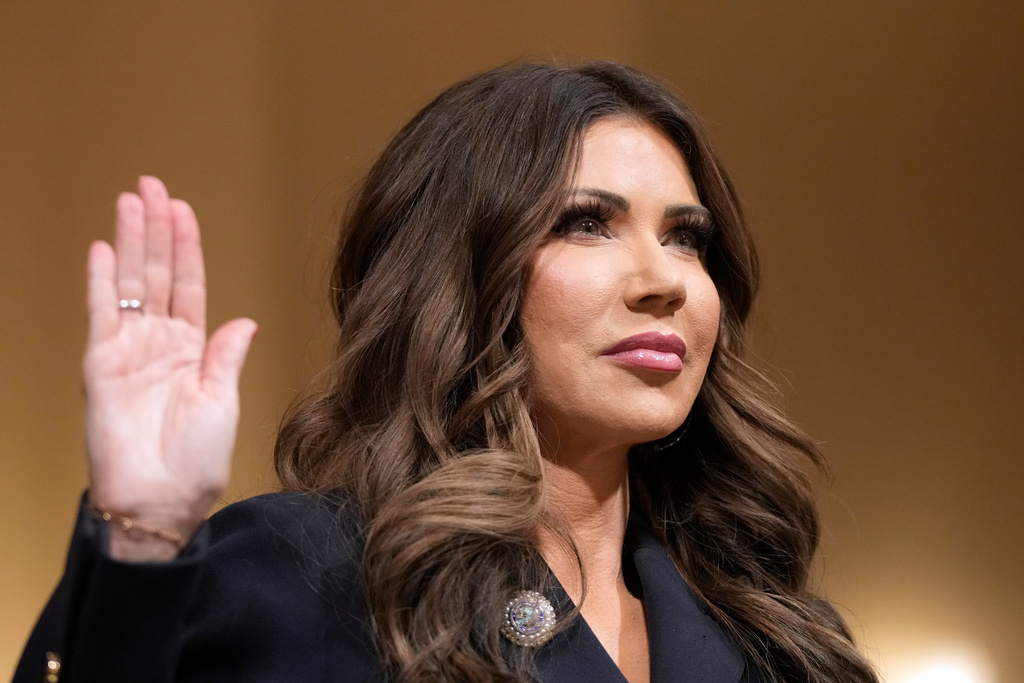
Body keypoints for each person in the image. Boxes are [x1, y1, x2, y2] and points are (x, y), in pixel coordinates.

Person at [15, 62, 878, 683]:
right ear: (462, 274)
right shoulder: (304, 575)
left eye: (686, 237)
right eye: (585, 223)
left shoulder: (777, 640)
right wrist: (139, 535)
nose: (664, 280)